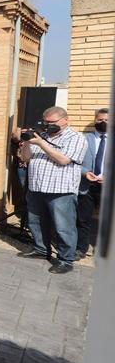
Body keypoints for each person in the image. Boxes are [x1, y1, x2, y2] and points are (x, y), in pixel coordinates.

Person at [17, 106, 87, 274]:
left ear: (65, 120)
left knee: (63, 226)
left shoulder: (76, 138)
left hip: (61, 190)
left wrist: (41, 143)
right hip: (37, 186)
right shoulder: (42, 135)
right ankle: (41, 249)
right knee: (36, 222)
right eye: (46, 122)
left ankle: (66, 260)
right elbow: (25, 158)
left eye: (52, 122)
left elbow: (63, 160)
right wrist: (27, 141)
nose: (48, 126)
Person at [78, 107, 108, 259]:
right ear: (95, 120)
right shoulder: (84, 139)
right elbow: (75, 162)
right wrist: (85, 173)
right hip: (87, 185)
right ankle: (80, 249)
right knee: (83, 219)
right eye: (100, 120)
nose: (103, 122)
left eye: (107, 120)